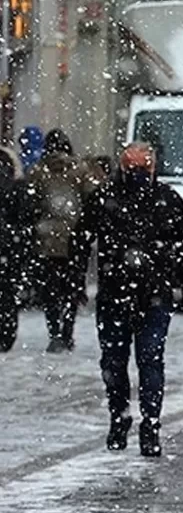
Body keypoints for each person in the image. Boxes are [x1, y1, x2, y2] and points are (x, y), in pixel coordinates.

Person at [81, 143, 183, 457]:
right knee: (118, 362)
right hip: (120, 294)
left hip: (149, 295)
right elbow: (81, 240)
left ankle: (148, 424)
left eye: (143, 169)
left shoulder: (165, 201)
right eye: (134, 169)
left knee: (147, 360)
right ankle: (122, 419)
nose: (139, 175)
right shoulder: (106, 200)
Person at [27, 129, 95, 352]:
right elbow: (91, 199)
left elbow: (31, 203)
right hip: (74, 239)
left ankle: (54, 331)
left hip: (47, 240)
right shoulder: (80, 170)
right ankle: (68, 331)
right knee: (72, 288)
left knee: (50, 290)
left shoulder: (38, 172)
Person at [0, 146, 33, 352]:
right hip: (9, 248)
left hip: (9, 245)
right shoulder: (18, 187)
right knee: (7, 294)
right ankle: (6, 334)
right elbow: (26, 217)